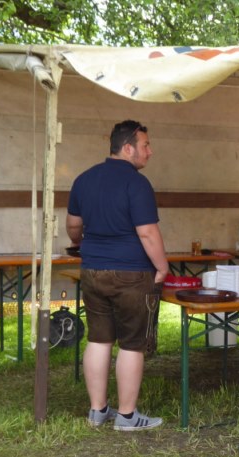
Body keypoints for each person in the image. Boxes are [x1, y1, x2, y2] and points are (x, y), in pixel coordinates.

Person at [66, 120, 169, 431]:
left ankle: (97, 411)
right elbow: (147, 233)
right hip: (131, 273)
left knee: (98, 339)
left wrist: (83, 243)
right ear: (128, 148)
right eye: (145, 145)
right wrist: (162, 267)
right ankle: (126, 416)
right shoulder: (137, 184)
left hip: (92, 270)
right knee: (131, 344)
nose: (150, 152)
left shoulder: (83, 179)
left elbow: (73, 227)